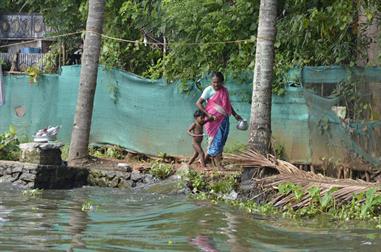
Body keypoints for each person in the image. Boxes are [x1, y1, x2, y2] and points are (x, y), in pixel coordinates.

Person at [196, 72, 242, 168]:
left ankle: (205, 160)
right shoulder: (208, 90)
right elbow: (198, 103)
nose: (216, 85)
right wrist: (208, 115)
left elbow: (228, 105)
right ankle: (218, 164)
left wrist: (235, 115)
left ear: (222, 82)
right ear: (211, 82)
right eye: (214, 82)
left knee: (221, 141)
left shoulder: (225, 91)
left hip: (224, 119)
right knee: (215, 140)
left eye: (218, 82)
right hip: (212, 120)